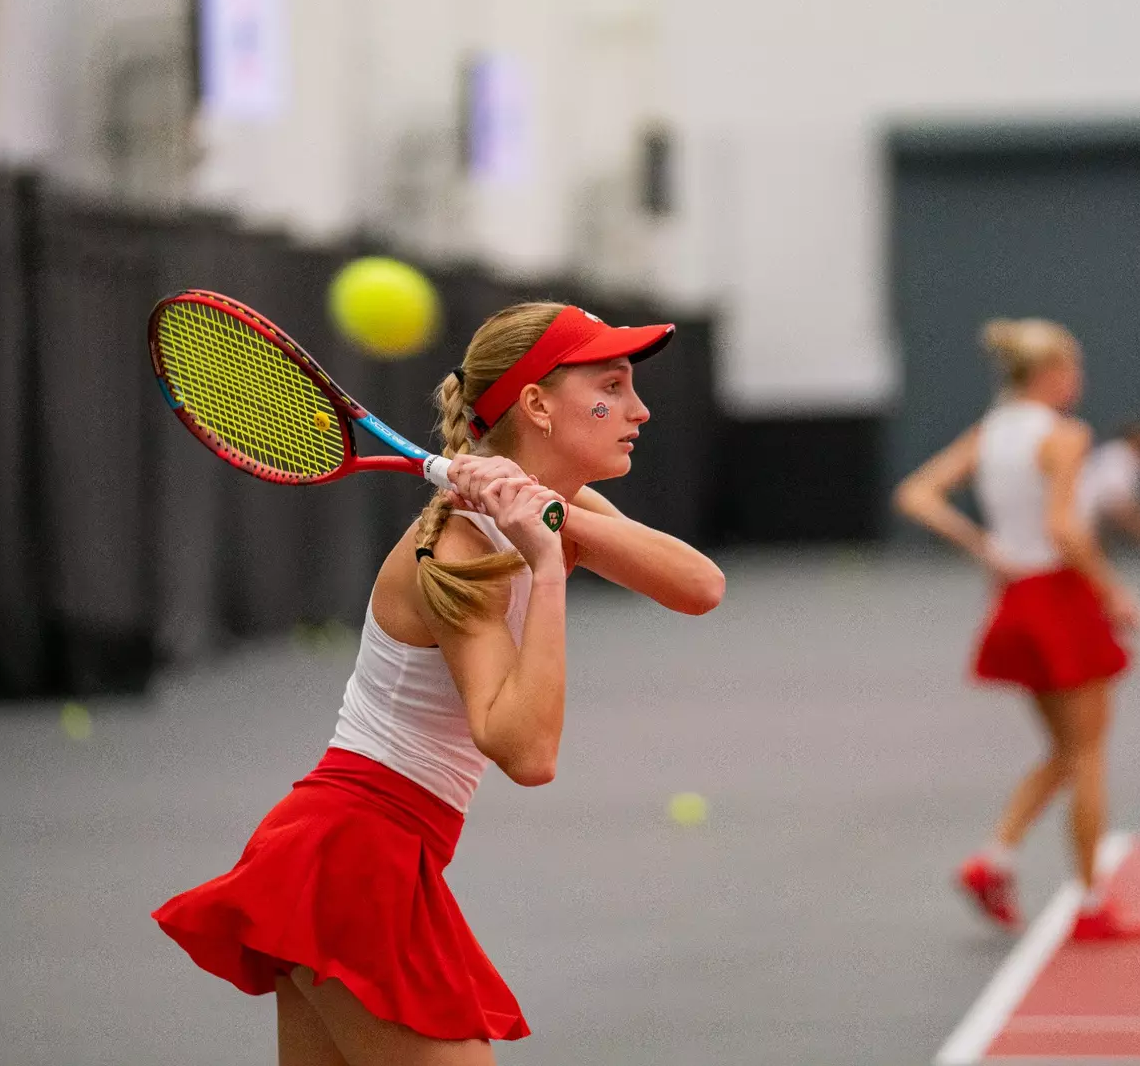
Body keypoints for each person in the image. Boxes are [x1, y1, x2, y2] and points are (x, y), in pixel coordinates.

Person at [152, 301, 725, 1065]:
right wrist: (547, 566)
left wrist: (553, 520)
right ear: (535, 406)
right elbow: (526, 753)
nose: (639, 409)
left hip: (352, 850)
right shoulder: (457, 548)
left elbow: (698, 586)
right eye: (612, 385)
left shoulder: (561, 505)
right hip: (351, 857)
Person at [894, 317, 1140, 943]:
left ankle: (994, 860)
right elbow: (1066, 531)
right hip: (1058, 597)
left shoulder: (992, 433)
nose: (1080, 381)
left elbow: (917, 494)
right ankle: (1092, 904)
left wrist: (986, 546)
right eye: (1075, 368)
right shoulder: (1064, 436)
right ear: (1050, 374)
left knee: (1066, 751)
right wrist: (1112, 590)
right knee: (1088, 755)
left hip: (1013, 601)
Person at [1077, 420, 1140, 546]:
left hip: (1077, 530)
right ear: (1137, 440)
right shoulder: (1123, 455)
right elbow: (1116, 507)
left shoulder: (1112, 453)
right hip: (1074, 532)